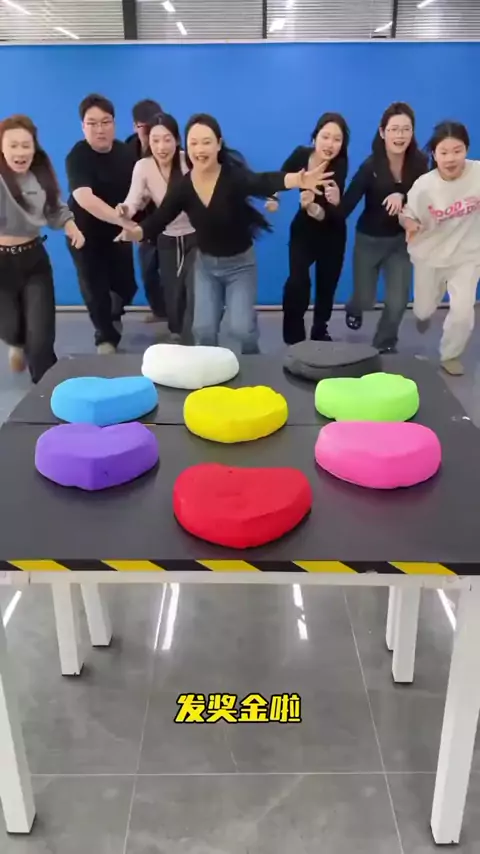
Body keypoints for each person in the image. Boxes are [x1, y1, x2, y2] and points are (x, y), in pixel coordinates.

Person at [115, 113, 333, 354]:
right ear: (187, 147)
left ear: (218, 144)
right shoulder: (183, 187)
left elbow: (263, 181)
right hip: (206, 268)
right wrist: (135, 233)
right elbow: (159, 219)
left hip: (240, 266)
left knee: (241, 330)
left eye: (206, 142)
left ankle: (253, 357)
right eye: (194, 143)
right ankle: (210, 371)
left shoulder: (233, 177)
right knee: (203, 330)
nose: (200, 149)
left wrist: (299, 178)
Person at [329, 102, 428, 353]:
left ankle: (384, 343)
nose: (400, 135)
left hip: (401, 242)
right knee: (365, 300)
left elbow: (426, 197)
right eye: (394, 129)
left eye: (406, 129)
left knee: (398, 301)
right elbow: (347, 206)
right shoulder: (370, 167)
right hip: (369, 241)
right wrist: (331, 203)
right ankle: (354, 307)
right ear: (383, 132)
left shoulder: (420, 163)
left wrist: (401, 195)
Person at [0, 115, 84, 382]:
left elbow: (55, 209)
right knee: (10, 328)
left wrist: (71, 226)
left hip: (33, 260)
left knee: (41, 339)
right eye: (13, 146)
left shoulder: (40, 176)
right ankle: (16, 342)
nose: (20, 153)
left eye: (26, 145)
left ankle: (46, 390)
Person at [401, 121, 480, 376]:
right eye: (444, 152)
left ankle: (450, 355)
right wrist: (410, 224)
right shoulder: (424, 185)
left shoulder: (478, 174)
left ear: (466, 149)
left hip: (467, 256)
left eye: (457, 151)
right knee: (424, 308)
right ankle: (423, 315)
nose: (450, 158)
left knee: (463, 312)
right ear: (434, 154)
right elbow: (406, 214)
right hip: (429, 255)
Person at [65, 93, 138, 354]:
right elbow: (84, 198)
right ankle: (105, 337)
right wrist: (123, 221)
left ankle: (114, 313)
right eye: (92, 123)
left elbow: (139, 191)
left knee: (126, 286)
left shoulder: (126, 153)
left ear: (114, 124)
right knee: (94, 289)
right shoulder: (78, 156)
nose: (100, 129)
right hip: (84, 234)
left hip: (117, 233)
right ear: (83, 126)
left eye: (105, 122)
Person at [267, 112, 349, 344]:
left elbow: (329, 212)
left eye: (337, 139)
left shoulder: (340, 165)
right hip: (303, 230)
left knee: (326, 286)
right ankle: (294, 337)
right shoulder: (301, 155)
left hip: (332, 230)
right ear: (315, 138)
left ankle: (320, 330)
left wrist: (313, 206)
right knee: (297, 281)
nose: (330, 144)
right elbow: (281, 177)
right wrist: (273, 198)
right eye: (325, 137)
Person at [119, 113, 196, 343]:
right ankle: (178, 332)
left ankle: (194, 335)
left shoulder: (188, 161)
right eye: (155, 140)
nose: (161, 147)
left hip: (196, 235)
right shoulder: (143, 166)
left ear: (177, 140)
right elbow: (133, 200)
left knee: (193, 288)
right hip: (167, 236)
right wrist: (124, 211)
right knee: (172, 291)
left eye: (167, 139)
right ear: (147, 141)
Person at [125, 98, 166, 323]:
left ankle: (177, 317)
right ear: (135, 126)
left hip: (169, 220)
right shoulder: (125, 151)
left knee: (173, 273)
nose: (151, 134)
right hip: (142, 222)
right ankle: (159, 311)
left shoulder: (170, 147)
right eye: (145, 128)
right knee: (148, 272)